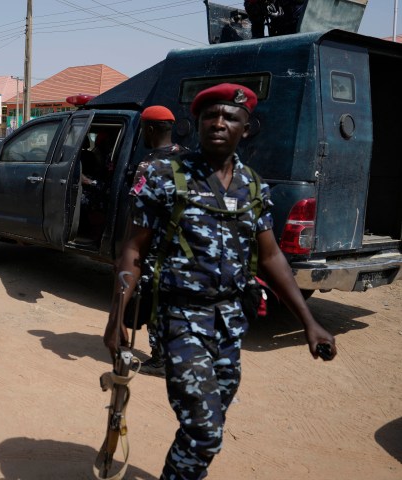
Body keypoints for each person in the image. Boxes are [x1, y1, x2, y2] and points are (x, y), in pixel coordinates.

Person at [104, 83, 337, 480]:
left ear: (246, 128)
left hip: (230, 321)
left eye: (230, 117)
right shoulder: (165, 177)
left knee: (207, 423)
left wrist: (308, 321)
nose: (218, 123)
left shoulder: (253, 186)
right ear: (195, 124)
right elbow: (133, 251)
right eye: (209, 116)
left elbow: (270, 257)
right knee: (205, 430)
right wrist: (116, 318)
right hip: (179, 319)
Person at [131, 105, 188, 377]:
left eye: (143, 127)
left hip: (159, 249)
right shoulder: (191, 159)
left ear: (150, 129)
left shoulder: (148, 166)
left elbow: (137, 211)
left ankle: (161, 359)